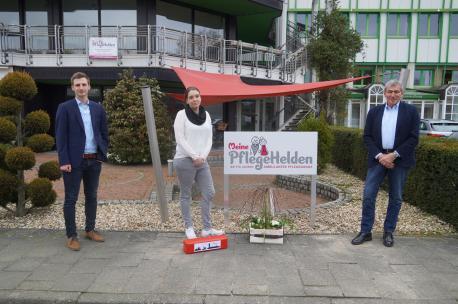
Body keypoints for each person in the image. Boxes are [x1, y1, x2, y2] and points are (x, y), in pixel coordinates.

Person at [351, 79, 420, 247]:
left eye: (397, 92)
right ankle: (365, 231)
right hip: (377, 159)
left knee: (395, 197)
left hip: (400, 160)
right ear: (385, 93)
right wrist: (381, 156)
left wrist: (393, 155)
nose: (393, 95)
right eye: (390, 91)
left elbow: (413, 138)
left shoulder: (411, 111)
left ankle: (388, 232)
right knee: (368, 195)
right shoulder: (374, 112)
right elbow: (367, 137)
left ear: (402, 94)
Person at [55, 72, 109, 251]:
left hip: (93, 160)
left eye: (84, 84)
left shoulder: (97, 108)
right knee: (71, 199)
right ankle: (71, 235)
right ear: (72, 88)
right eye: (77, 85)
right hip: (73, 162)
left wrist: (102, 153)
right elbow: (61, 137)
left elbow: (103, 133)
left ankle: (90, 229)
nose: (81, 88)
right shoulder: (65, 107)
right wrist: (64, 160)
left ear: (89, 86)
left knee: (91, 196)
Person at [173, 86, 224, 239]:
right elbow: (180, 139)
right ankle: (188, 226)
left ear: (200, 97)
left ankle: (207, 228)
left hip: (202, 160)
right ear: (187, 100)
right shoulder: (181, 115)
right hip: (184, 160)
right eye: (191, 97)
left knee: (209, 192)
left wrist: (203, 156)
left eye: (197, 96)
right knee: (186, 195)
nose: (195, 99)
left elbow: (209, 138)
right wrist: (194, 155)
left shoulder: (206, 115)